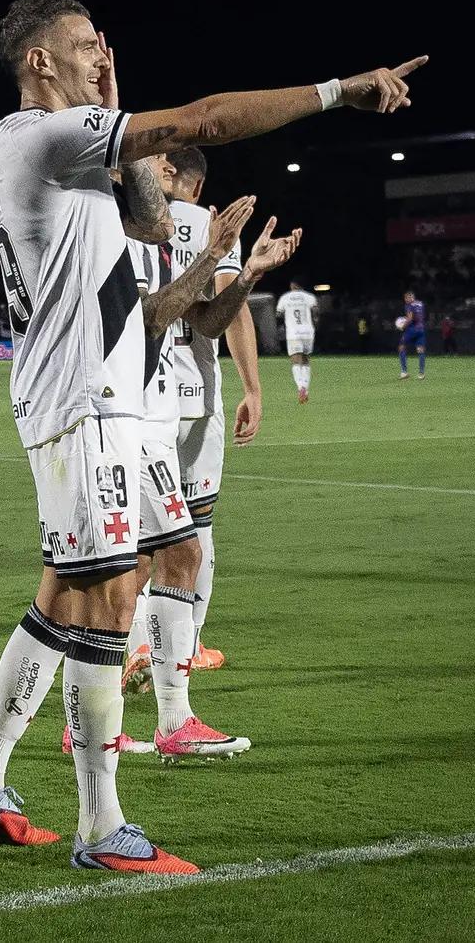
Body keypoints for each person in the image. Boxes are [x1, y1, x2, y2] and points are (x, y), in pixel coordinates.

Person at [0, 0, 422, 873]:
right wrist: (338, 91)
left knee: (63, 600)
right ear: (39, 62)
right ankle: (100, 828)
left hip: (102, 398)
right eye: (84, 46)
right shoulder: (36, 136)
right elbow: (203, 121)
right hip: (83, 403)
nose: (99, 55)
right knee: (111, 598)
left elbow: (157, 223)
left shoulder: (72, 156)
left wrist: (121, 102)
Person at [117, 155, 300, 762]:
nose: (161, 162)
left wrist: (243, 270)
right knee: (111, 572)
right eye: (148, 155)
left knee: (161, 554)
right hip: (123, 415)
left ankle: (159, 705)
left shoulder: (168, 230)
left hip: (158, 410)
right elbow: (150, 318)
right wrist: (214, 251)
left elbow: (208, 315)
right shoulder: (116, 225)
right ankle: (111, 719)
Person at [162, 146, 253, 670]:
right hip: (196, 393)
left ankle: (134, 647)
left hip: (139, 398)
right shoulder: (208, 225)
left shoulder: (126, 219)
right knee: (199, 526)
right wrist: (254, 388)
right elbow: (229, 311)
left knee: (139, 531)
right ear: (197, 185)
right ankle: (189, 644)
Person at [276, 281, 320, 402]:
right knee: (305, 360)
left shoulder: (285, 298)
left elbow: (278, 314)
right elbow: (316, 313)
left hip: (293, 333)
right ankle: (305, 388)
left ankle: (300, 387)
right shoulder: (309, 297)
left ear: (292, 285)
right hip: (308, 332)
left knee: (296, 361)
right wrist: (315, 324)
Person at [400, 290, 427, 379]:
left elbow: (410, 319)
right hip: (421, 329)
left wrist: (402, 326)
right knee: (420, 350)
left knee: (402, 346)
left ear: (409, 298)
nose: (406, 299)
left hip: (412, 330)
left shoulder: (409, 305)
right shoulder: (420, 303)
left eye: (407, 298)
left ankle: (404, 372)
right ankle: (421, 373)